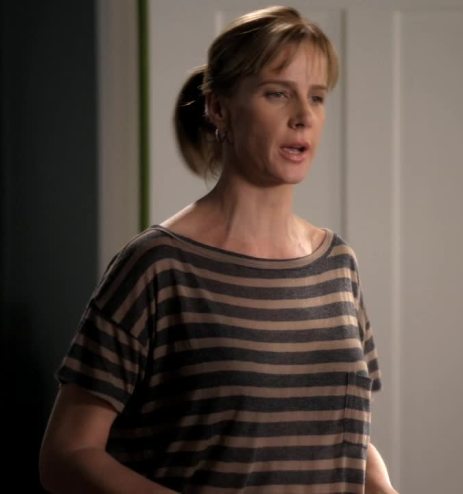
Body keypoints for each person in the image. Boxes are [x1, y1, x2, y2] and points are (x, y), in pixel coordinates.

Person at [39, 6, 397, 493]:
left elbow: (348, 438)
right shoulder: (158, 265)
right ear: (218, 109)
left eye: (316, 97)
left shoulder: (337, 265)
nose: (303, 116)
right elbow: (67, 455)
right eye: (277, 93)